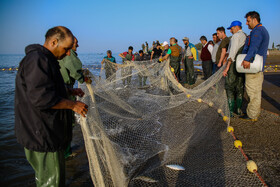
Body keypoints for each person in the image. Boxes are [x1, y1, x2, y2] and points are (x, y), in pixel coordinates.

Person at [15, 26, 88, 187]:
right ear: (54, 42)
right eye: (66, 48)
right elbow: (41, 98)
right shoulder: (38, 60)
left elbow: (43, 88)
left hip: (40, 134)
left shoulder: (45, 60)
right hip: (44, 137)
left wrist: (68, 90)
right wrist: (73, 105)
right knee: (51, 183)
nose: (68, 53)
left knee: (46, 178)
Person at [58, 36, 90, 159]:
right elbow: (76, 71)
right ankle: (65, 152)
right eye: (76, 43)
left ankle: (63, 151)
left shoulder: (58, 56)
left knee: (61, 121)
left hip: (63, 89)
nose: (77, 45)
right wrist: (84, 79)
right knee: (67, 121)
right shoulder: (69, 53)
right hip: (64, 90)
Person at [240, 11, 269, 121]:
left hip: (254, 67)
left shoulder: (258, 31)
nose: (247, 23)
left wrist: (247, 59)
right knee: (252, 91)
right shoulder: (258, 30)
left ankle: (252, 115)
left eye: (248, 21)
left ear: (254, 19)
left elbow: (254, 47)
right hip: (255, 67)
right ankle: (251, 112)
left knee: (253, 92)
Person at [222, 21, 247, 117]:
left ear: (236, 27)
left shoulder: (236, 36)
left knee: (230, 87)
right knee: (240, 87)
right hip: (242, 65)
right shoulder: (245, 35)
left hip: (234, 64)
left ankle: (230, 112)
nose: (230, 31)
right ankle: (238, 109)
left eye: (231, 28)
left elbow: (232, 53)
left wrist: (227, 67)